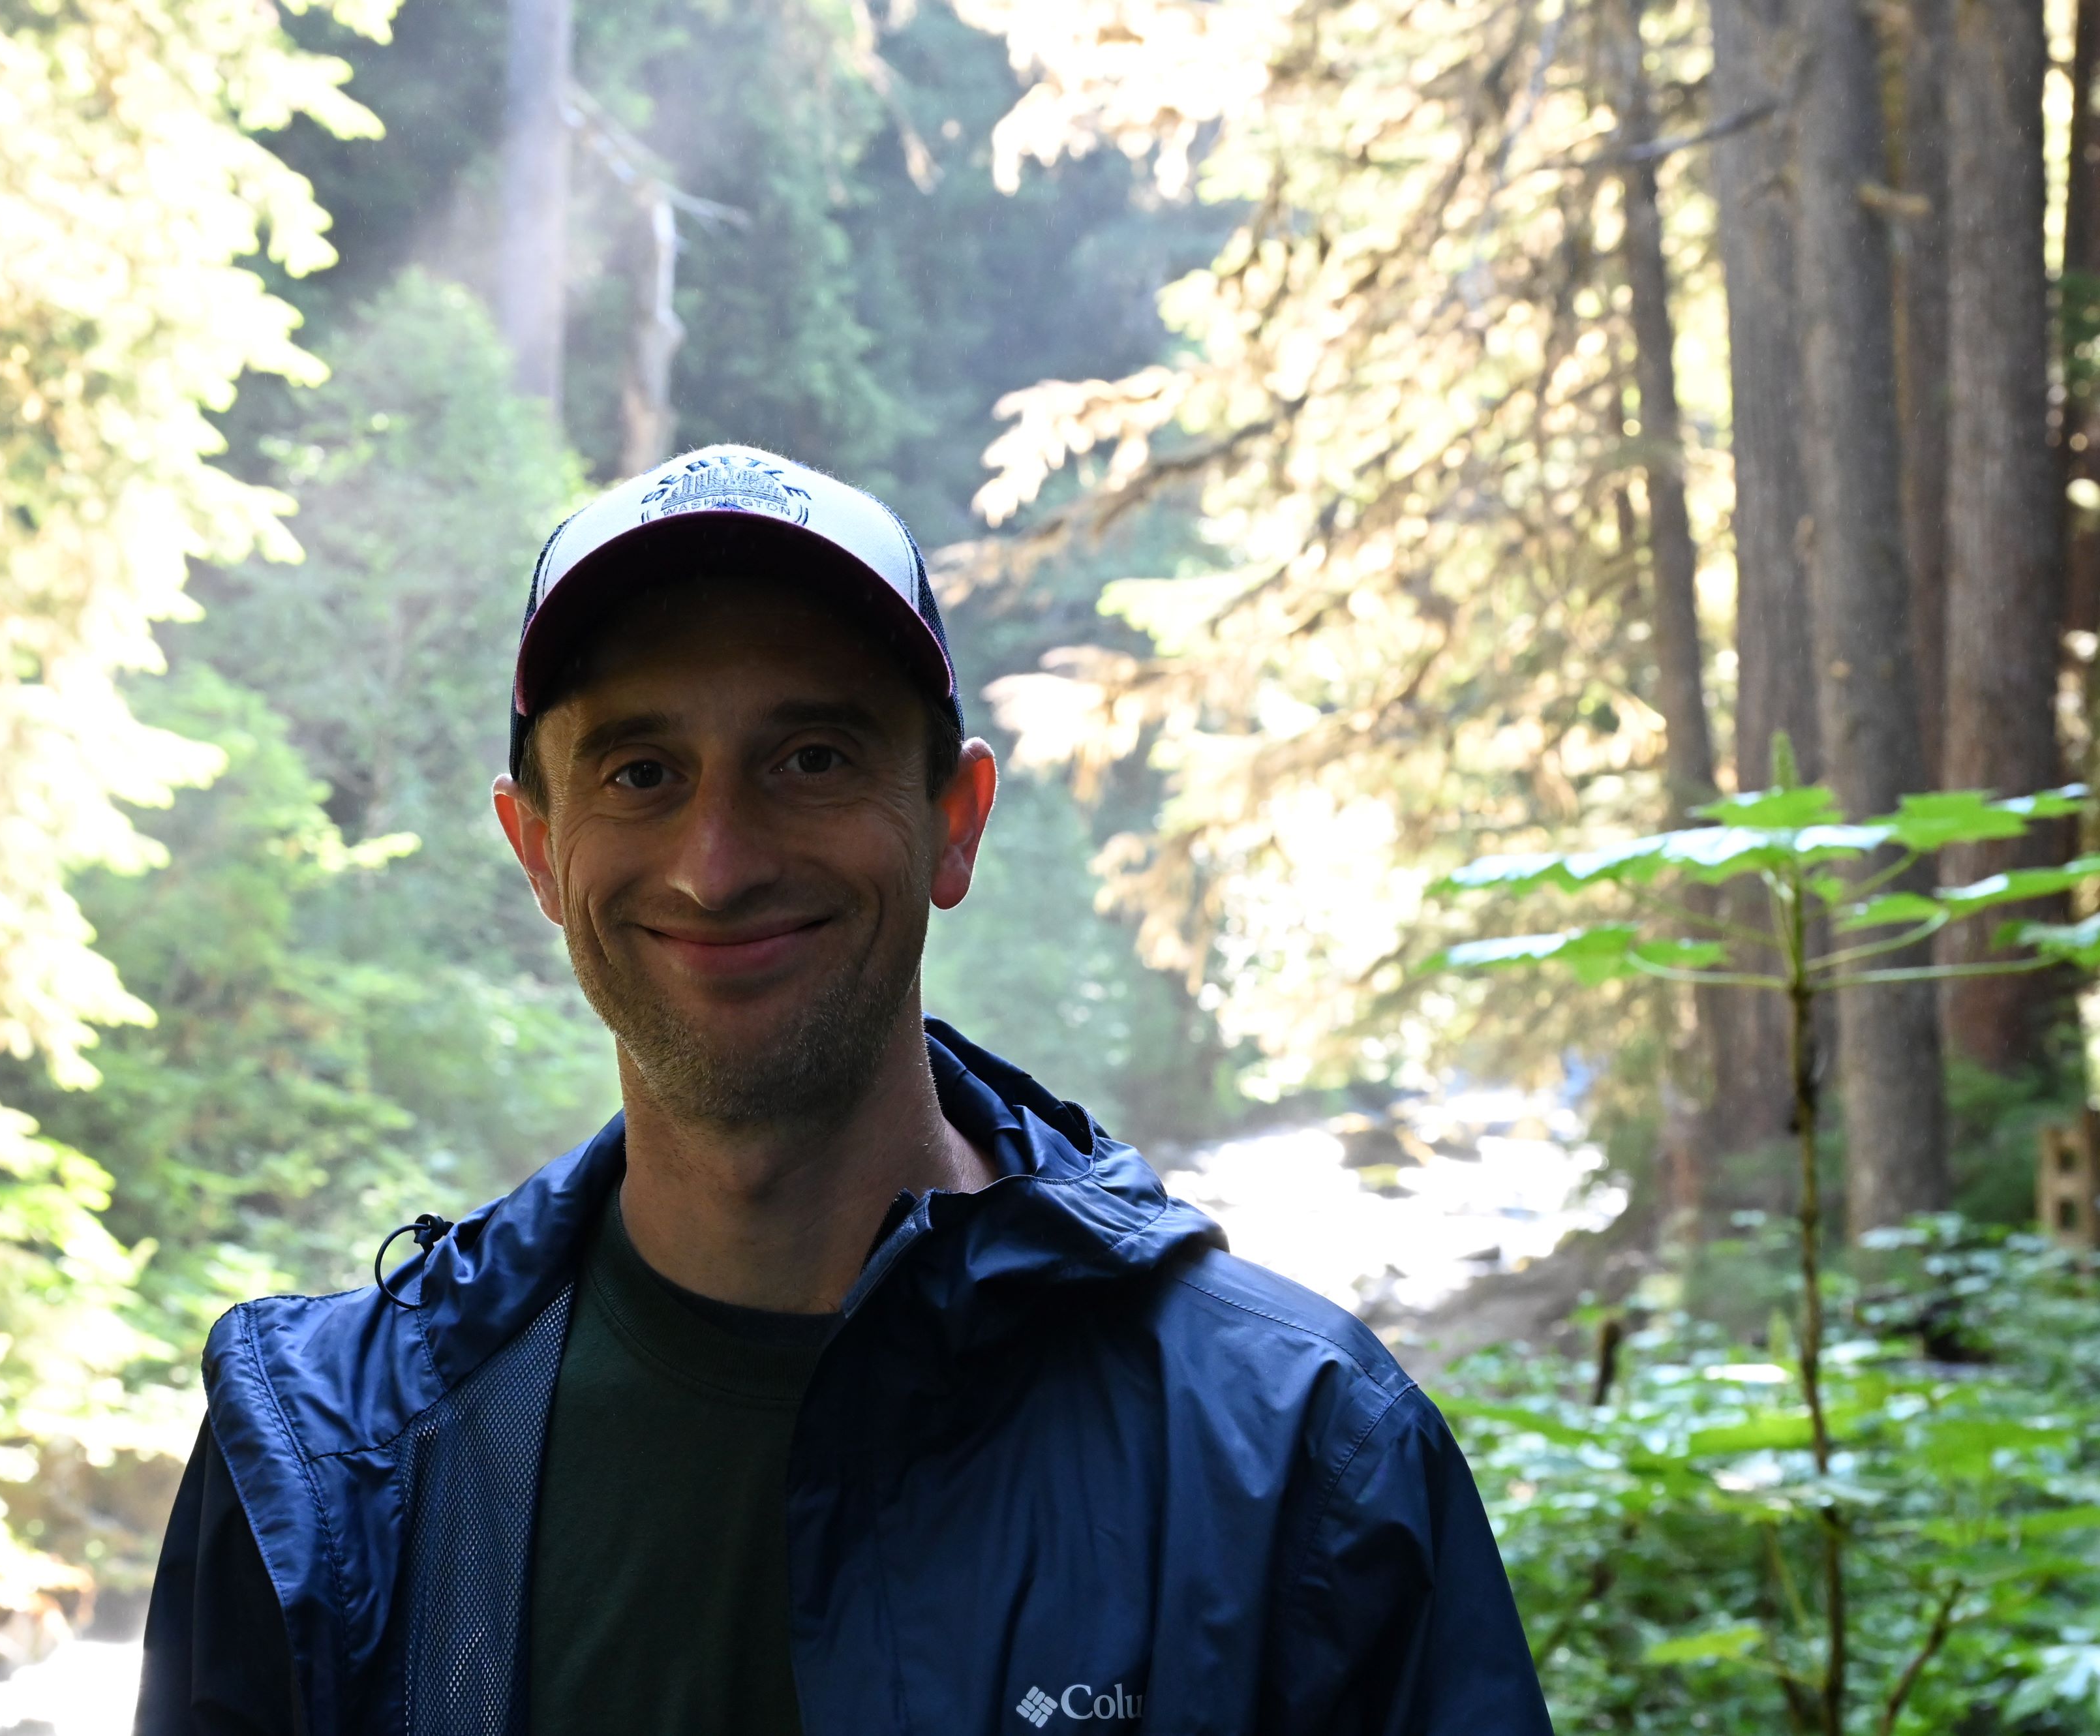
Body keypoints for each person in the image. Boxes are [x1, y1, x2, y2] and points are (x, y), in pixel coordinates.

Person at [133, 445, 1553, 1736]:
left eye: (809, 757)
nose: (716, 857)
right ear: (537, 849)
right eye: (639, 770)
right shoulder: (331, 1470)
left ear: (953, 821)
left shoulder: (1296, 1456)